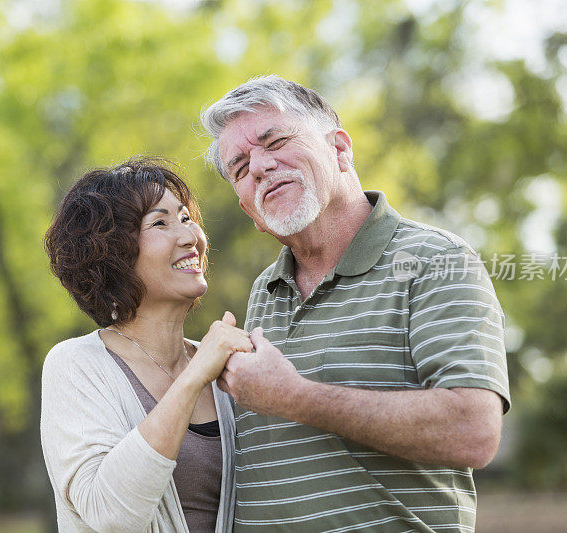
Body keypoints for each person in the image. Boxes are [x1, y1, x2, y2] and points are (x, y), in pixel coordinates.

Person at [201, 76, 511, 532]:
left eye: (276, 141)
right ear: (248, 207)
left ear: (341, 149)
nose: (261, 167)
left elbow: (474, 431)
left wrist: (295, 397)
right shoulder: (264, 291)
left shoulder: (436, 260)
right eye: (241, 167)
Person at [41, 158, 253, 532]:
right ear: (114, 254)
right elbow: (109, 514)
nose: (191, 237)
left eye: (186, 218)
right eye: (160, 223)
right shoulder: (75, 365)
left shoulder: (225, 370)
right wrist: (192, 380)